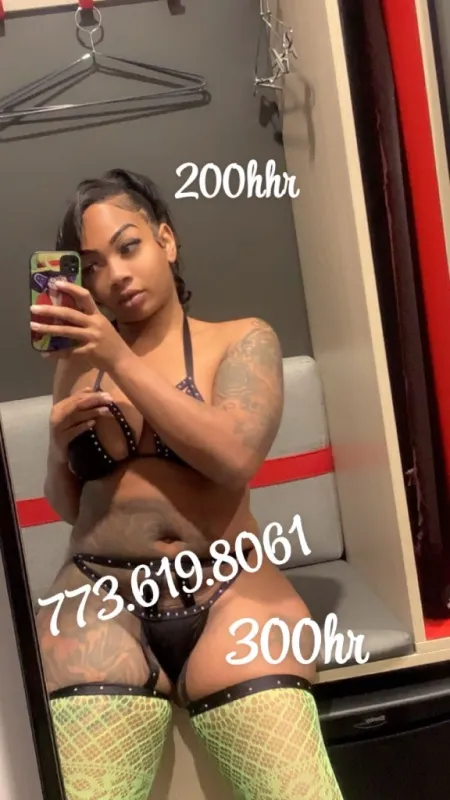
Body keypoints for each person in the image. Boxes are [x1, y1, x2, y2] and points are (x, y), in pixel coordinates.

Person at [31, 168, 344, 799]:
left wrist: (116, 358)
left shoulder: (243, 339)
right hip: (98, 592)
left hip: (230, 589)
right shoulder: (75, 363)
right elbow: (68, 505)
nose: (116, 275)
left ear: (166, 241)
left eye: (129, 247)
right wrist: (60, 450)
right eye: (94, 265)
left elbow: (234, 455)